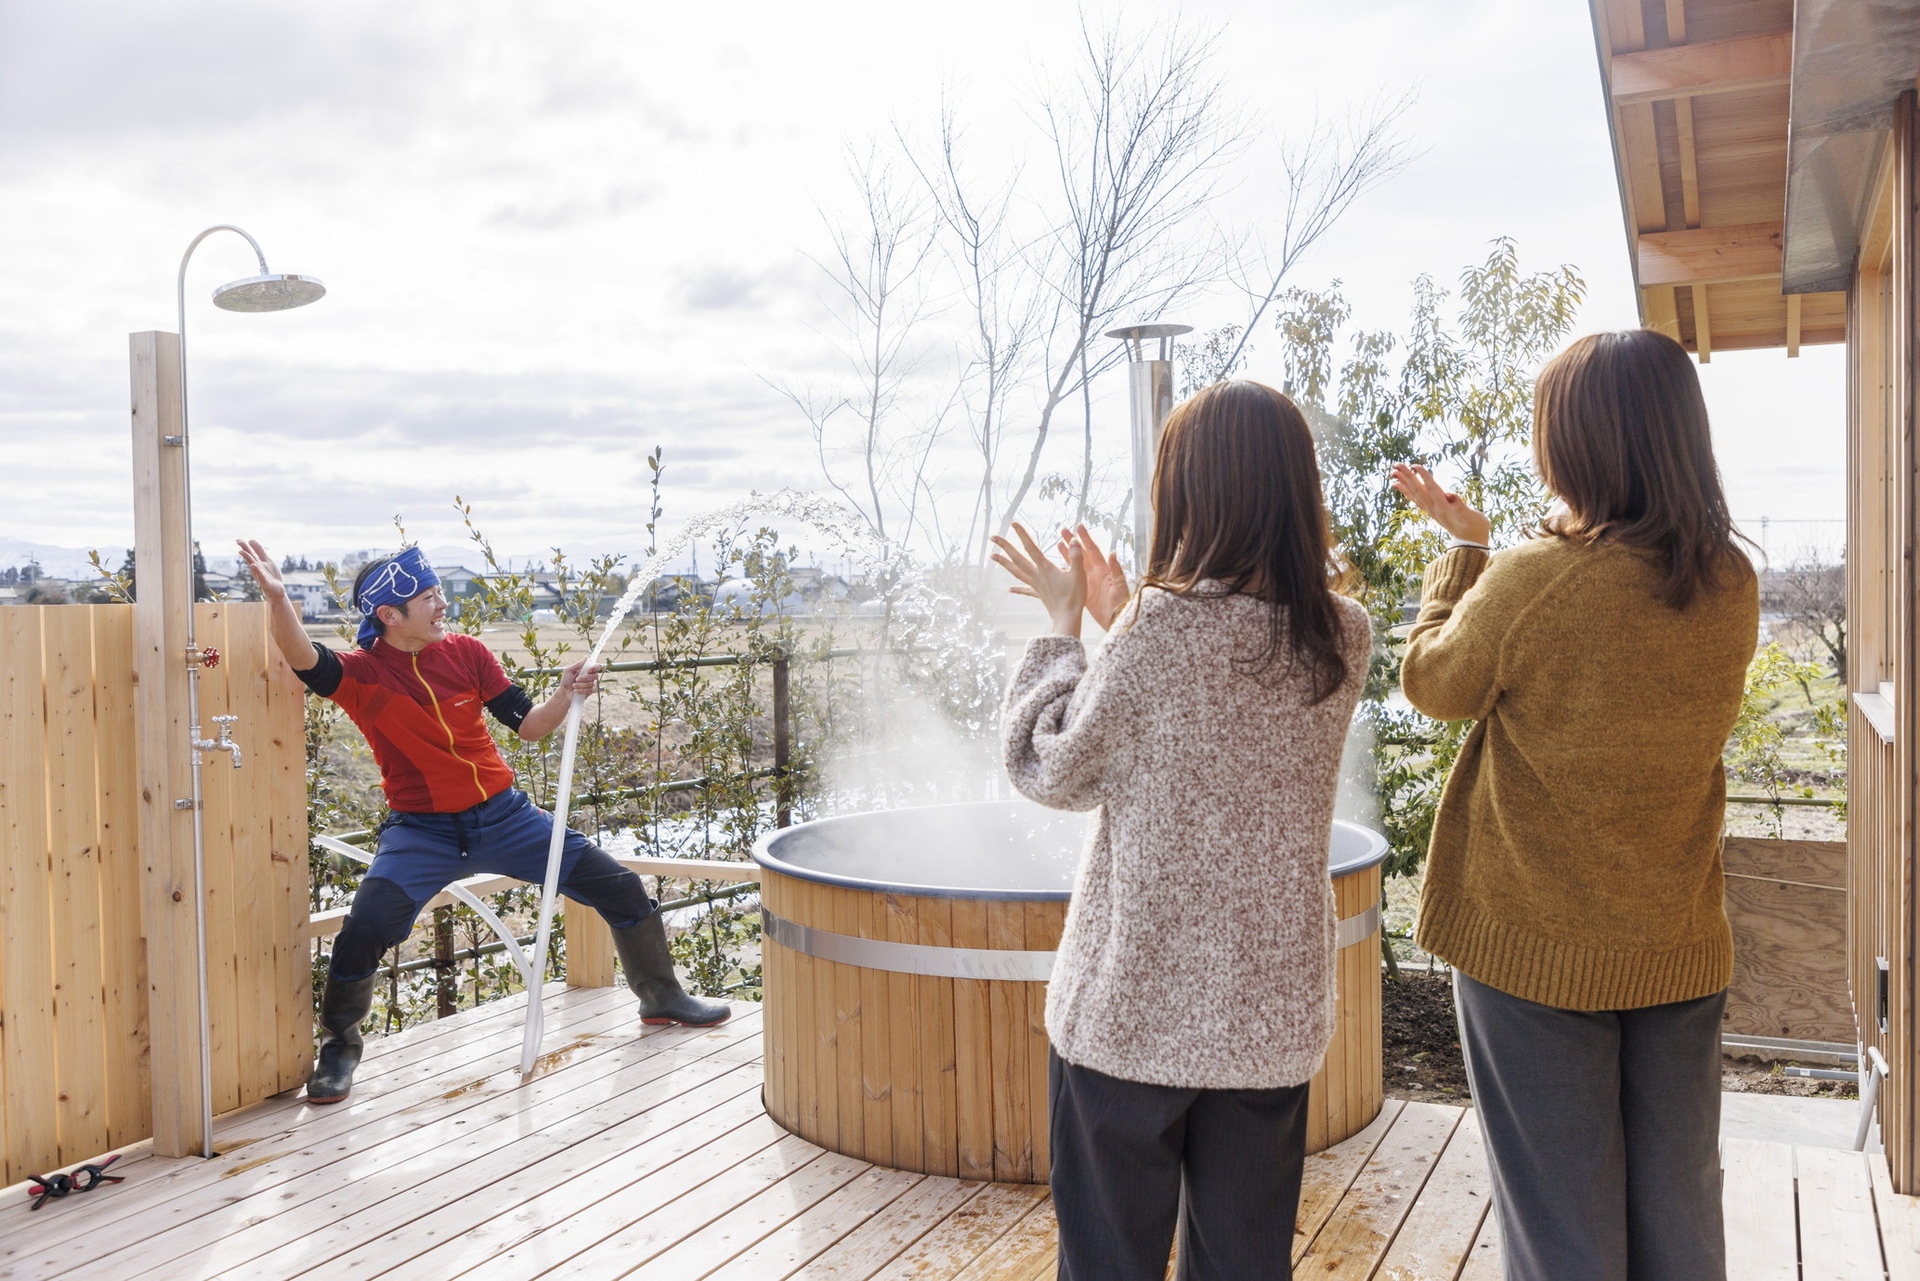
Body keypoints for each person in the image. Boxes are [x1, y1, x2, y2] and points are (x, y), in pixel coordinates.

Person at [1391, 328, 1758, 1281]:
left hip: (1534, 951)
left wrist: (1463, 556)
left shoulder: (1533, 579)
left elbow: (1434, 680)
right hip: (1676, 945)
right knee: (1682, 1224)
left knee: (1564, 1235)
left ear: (1579, 448)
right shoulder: (1730, 582)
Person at [993, 380, 1368, 1280]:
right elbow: (1211, 724)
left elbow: (1048, 764)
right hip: (1268, 1020)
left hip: (1133, 1014)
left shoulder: (1158, 631)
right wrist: (1123, 623)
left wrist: (1064, 626)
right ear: (1293, 487)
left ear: (1189, 492)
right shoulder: (1342, 636)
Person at [237, 541, 729, 1105]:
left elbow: (528, 725)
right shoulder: (359, 675)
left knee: (619, 886)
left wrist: (565, 694)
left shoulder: (468, 653)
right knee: (365, 928)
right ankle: (339, 1051)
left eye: (439, 591)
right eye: (429, 596)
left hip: (505, 818)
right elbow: (302, 656)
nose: (442, 603)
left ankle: (661, 996)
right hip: (420, 832)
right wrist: (279, 600)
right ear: (390, 616)